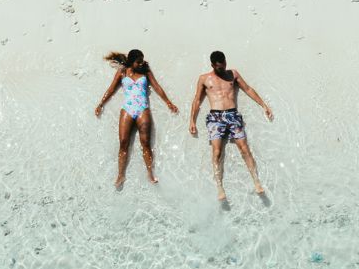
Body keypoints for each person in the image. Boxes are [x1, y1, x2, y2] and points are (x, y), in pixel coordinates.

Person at [188, 50, 274, 204]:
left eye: (224, 65)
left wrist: (263, 105)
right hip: (215, 117)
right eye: (219, 67)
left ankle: (256, 181)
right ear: (212, 65)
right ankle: (219, 187)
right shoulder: (204, 79)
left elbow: (248, 89)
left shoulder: (233, 74)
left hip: (233, 115)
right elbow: (197, 100)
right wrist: (192, 120)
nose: (223, 69)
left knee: (244, 148)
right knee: (217, 152)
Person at [93, 49, 179, 189]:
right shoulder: (122, 72)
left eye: (142, 61)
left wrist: (168, 102)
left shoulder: (145, 71)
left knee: (146, 143)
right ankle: (120, 174)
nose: (141, 63)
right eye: (138, 62)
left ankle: (150, 173)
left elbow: (157, 87)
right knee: (123, 143)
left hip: (142, 109)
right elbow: (111, 89)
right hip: (127, 109)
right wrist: (101, 104)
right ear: (131, 61)